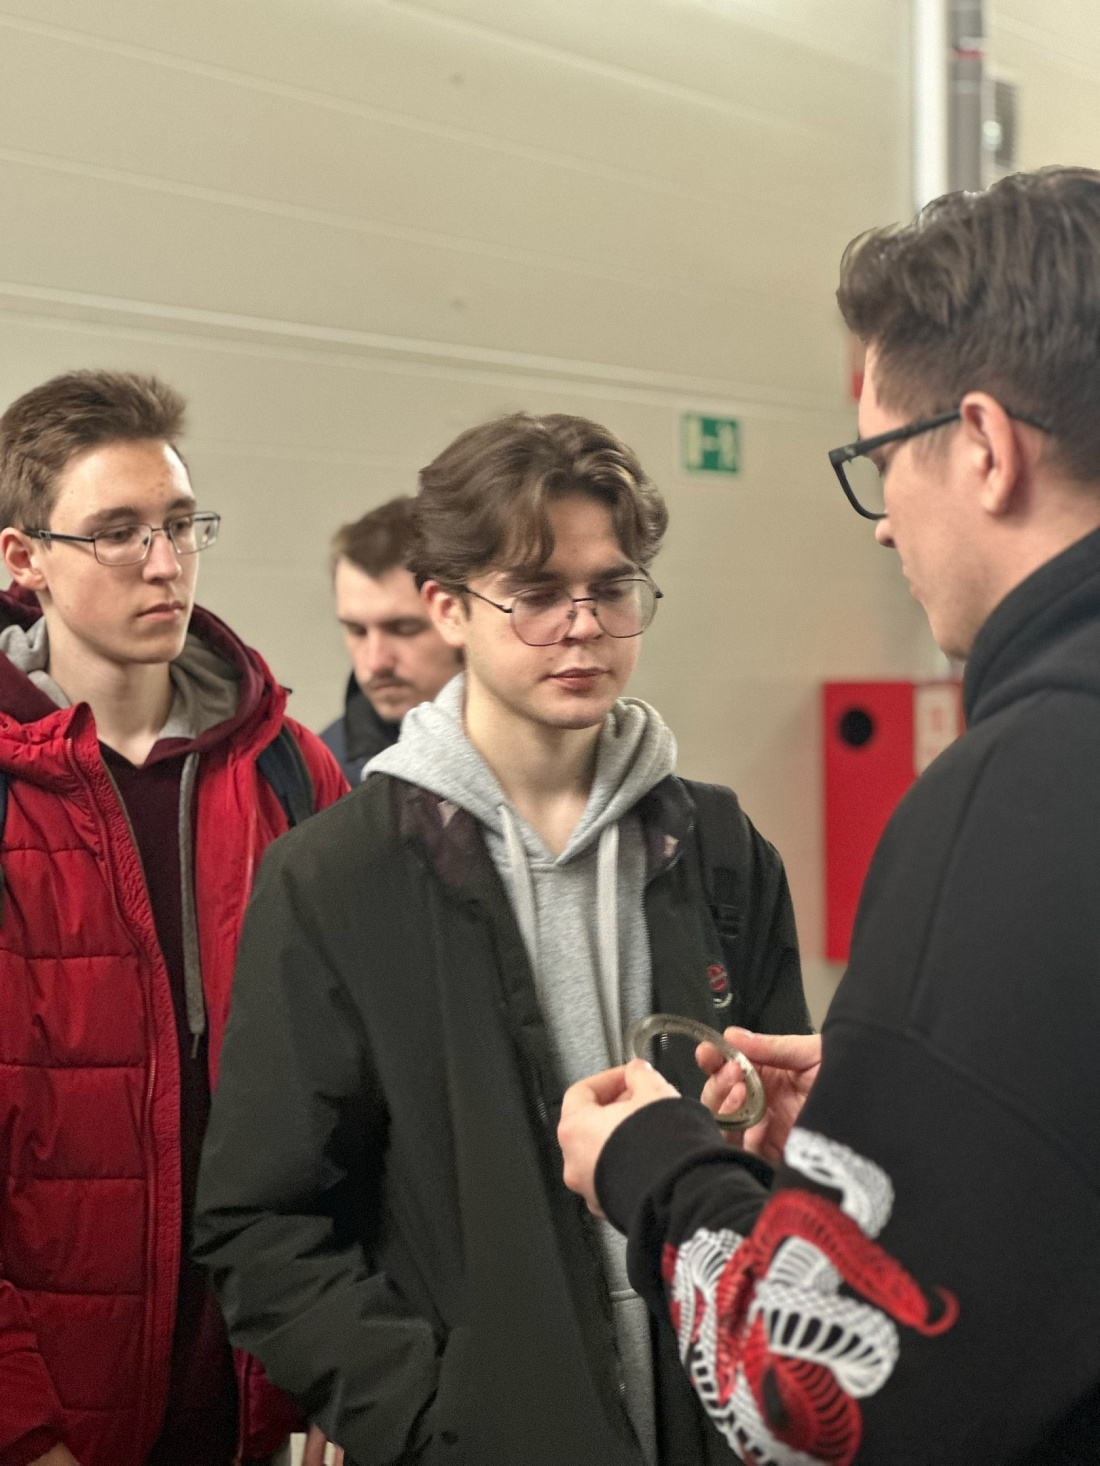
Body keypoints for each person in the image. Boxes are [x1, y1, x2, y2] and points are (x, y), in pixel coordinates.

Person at [557, 166, 1100, 1466]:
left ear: (983, 445)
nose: (880, 529)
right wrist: (903, 1117)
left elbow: (821, 1401)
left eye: (879, 461)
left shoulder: (1009, 802)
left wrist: (661, 1166)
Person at [193, 412, 812, 1466]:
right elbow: (263, 1225)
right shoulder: (335, 876)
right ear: (448, 606)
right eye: (534, 593)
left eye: (611, 588)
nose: (582, 626)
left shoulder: (718, 846)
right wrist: (433, 1418)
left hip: (725, 1427)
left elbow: (781, 1142)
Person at [0, 371, 347, 1466]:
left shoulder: (292, 771)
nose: (165, 563)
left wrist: (349, 1369)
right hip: (55, 1404)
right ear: (23, 559)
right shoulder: (12, 789)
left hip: (258, 1390)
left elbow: (367, 1095)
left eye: (181, 524)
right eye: (117, 533)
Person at [320, 497, 463, 785]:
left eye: (404, 628)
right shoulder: (321, 775)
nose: (376, 662)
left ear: (458, 615)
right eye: (357, 630)